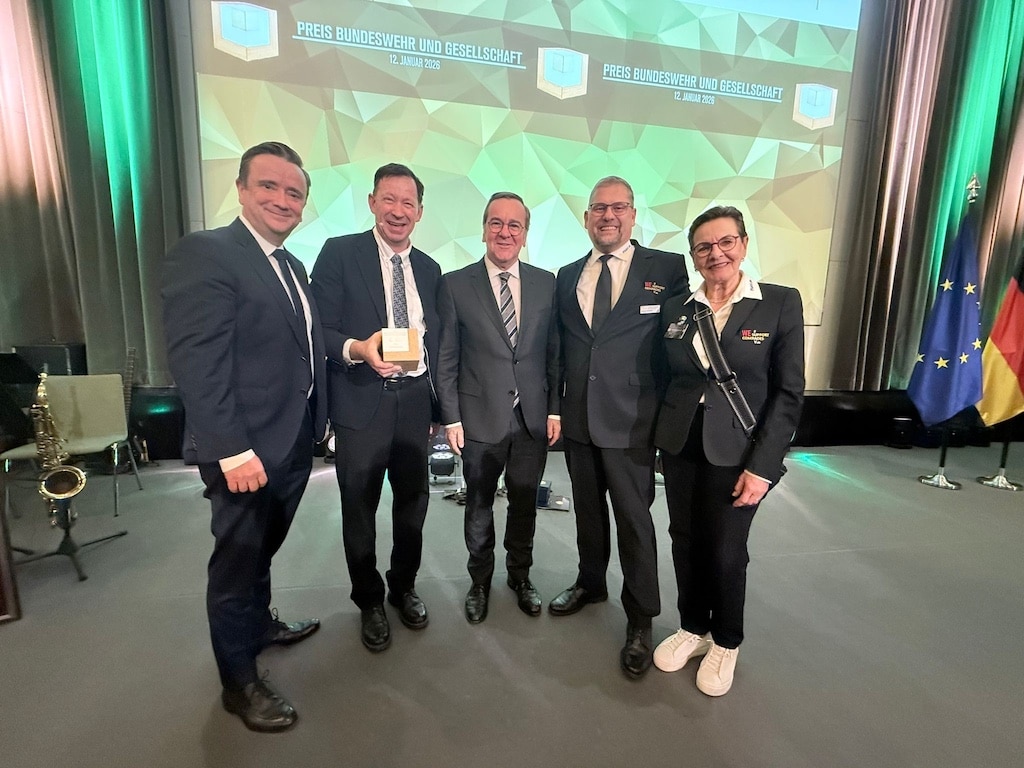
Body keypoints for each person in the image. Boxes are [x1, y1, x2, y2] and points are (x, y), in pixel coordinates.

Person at [162, 141, 328, 732]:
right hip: (244, 450)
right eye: (269, 187)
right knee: (235, 564)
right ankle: (239, 683)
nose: (283, 200)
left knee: (261, 551)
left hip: (291, 442)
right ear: (240, 190)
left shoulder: (291, 265)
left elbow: (300, 348)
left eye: (294, 192)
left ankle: (260, 628)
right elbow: (198, 363)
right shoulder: (207, 253)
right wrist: (230, 448)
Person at [652, 205, 804, 696]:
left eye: (726, 242)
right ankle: (693, 626)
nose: (715, 253)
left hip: (738, 450)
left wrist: (762, 468)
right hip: (681, 444)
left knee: (725, 547)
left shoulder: (778, 302)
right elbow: (667, 376)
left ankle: (726, 639)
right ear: (693, 255)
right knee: (683, 538)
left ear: (743, 243)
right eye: (704, 246)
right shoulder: (680, 306)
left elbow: (789, 393)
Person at [551, 176, 688, 679]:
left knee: (633, 521)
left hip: (634, 422)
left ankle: (640, 618)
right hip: (580, 419)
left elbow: (676, 348)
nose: (607, 216)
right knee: (587, 511)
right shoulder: (567, 275)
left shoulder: (667, 269)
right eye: (598, 209)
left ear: (633, 215)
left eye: (618, 208)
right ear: (587, 218)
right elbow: (562, 350)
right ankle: (591, 581)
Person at [310, 163, 441, 653]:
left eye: (408, 203)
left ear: (420, 212)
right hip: (360, 401)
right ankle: (368, 600)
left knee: (413, 507)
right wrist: (358, 349)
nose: (398, 211)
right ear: (371, 202)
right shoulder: (341, 253)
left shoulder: (429, 269)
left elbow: (437, 341)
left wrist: (439, 408)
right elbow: (318, 330)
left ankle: (403, 586)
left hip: (413, 405)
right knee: (359, 508)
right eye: (389, 200)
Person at [436, 192, 561, 624]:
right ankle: (480, 582)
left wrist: (555, 410)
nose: (504, 232)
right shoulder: (455, 283)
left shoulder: (548, 282)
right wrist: (450, 416)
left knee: (525, 502)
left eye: (514, 225)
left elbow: (554, 354)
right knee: (479, 503)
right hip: (478, 419)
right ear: (484, 227)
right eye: (496, 223)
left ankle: (520, 577)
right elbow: (446, 356)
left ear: (525, 234)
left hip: (532, 418)